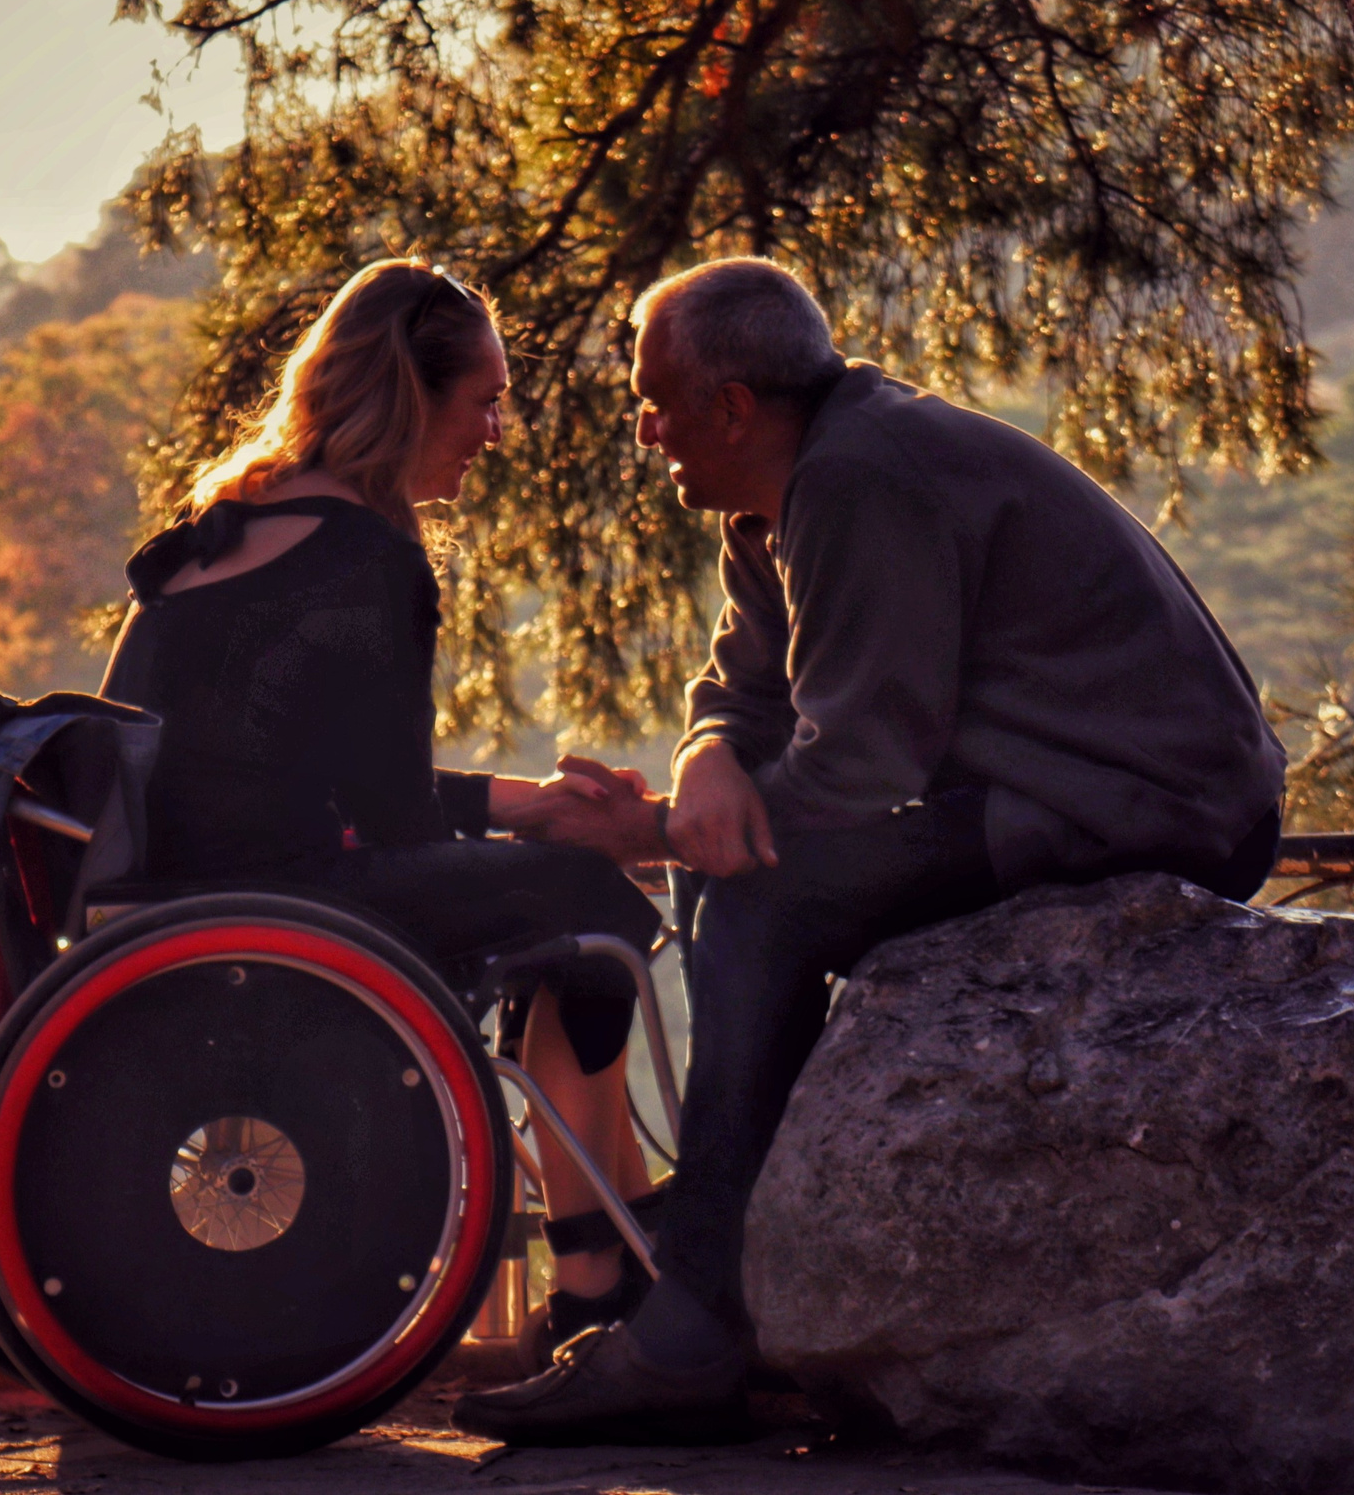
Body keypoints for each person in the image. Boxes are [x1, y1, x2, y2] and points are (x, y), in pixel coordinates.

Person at [454, 258, 1288, 1444]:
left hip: (1149, 804)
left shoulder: (858, 478)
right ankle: (724, 1294)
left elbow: (861, 766)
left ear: (731, 408)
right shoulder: (783, 487)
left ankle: (694, 1336)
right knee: (743, 875)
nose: (642, 428)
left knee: (758, 903)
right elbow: (740, 691)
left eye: (655, 398)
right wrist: (699, 763)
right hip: (1050, 791)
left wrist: (653, 830)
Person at [96, 258, 662, 1348]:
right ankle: (599, 1269)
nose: (495, 431)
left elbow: (313, 775)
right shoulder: (366, 557)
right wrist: (548, 823)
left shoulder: (228, 520)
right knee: (587, 911)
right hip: (290, 911)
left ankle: (613, 1247)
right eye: (483, 401)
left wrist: (527, 806)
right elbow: (395, 819)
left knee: (555, 888)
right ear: (412, 397)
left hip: (174, 905)